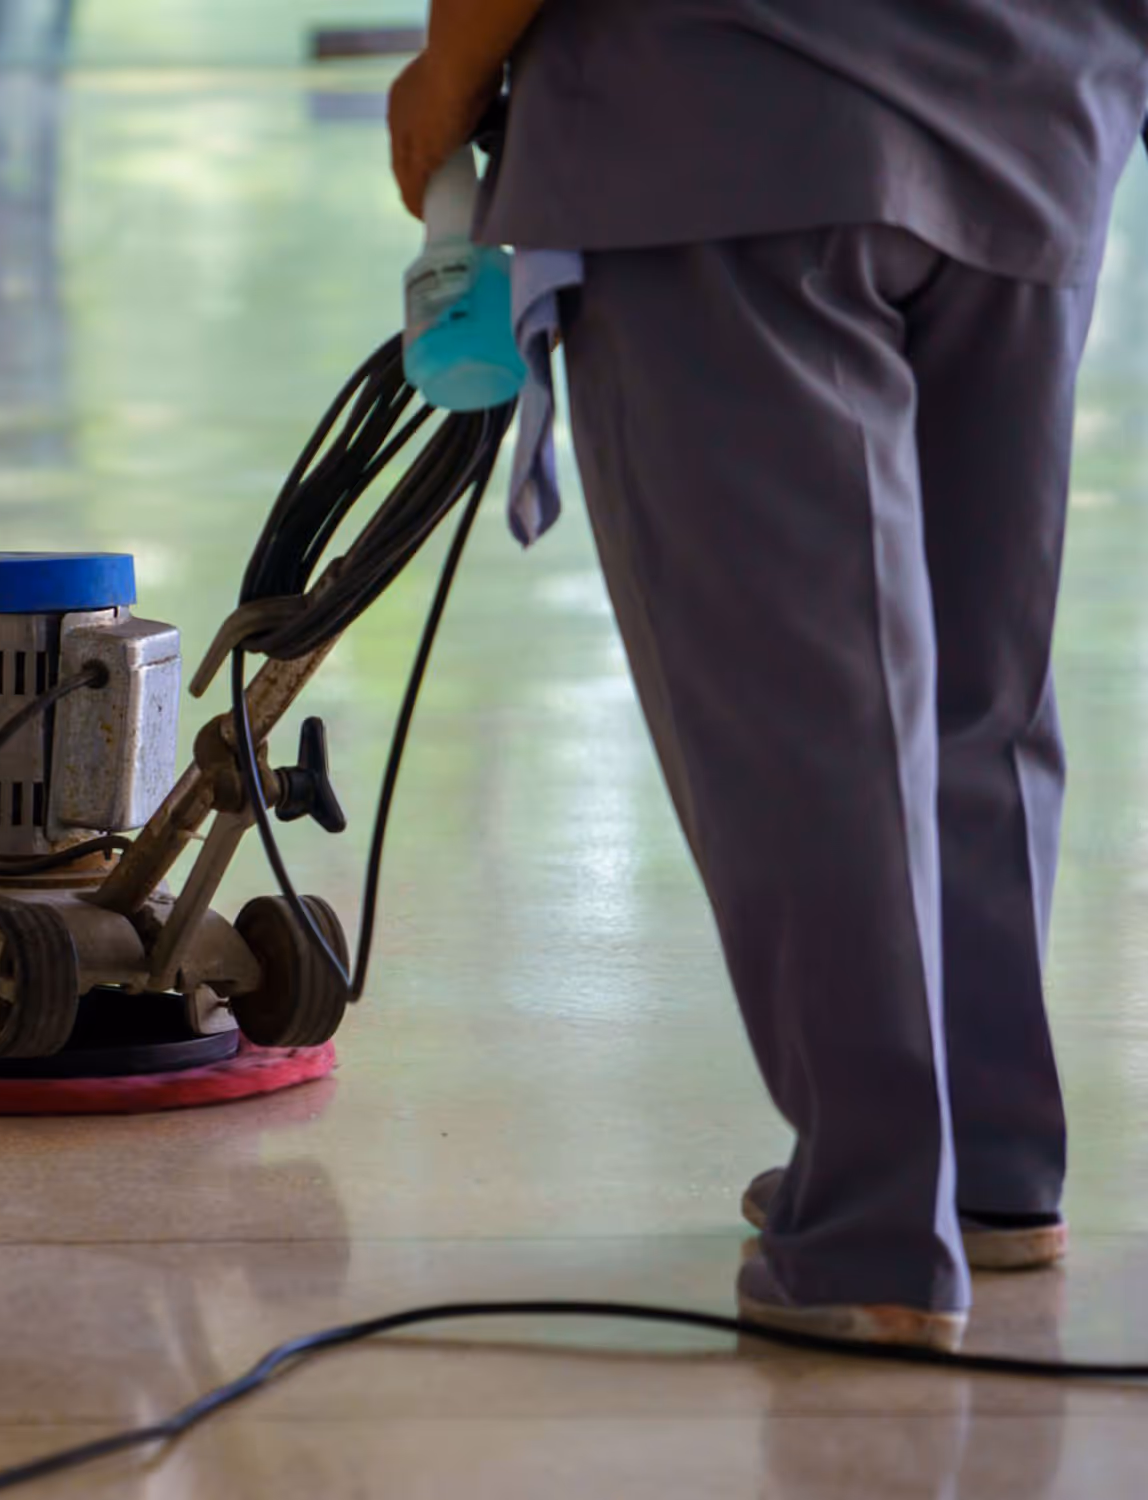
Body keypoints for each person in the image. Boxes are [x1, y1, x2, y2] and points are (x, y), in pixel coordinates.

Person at [388, 0, 1148, 1351]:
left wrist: (445, 84)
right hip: (1039, 106)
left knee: (806, 709)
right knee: (979, 686)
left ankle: (872, 1230)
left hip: (723, 116)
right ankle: (984, 1172)